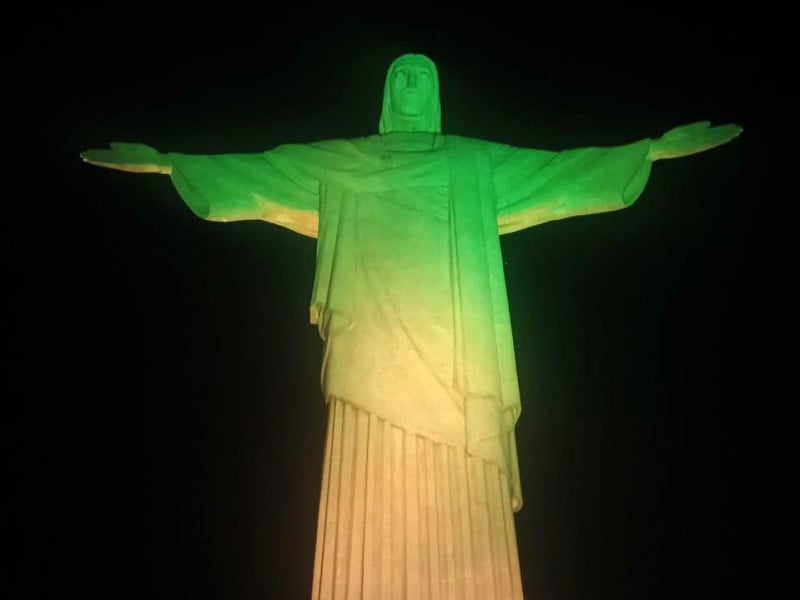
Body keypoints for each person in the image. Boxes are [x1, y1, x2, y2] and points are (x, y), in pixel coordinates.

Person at [82, 52, 741, 600]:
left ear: (437, 94)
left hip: (458, 367)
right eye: (399, 73)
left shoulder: (470, 163)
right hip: (371, 356)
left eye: (421, 75)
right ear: (382, 91)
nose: (409, 83)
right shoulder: (342, 162)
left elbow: (560, 172)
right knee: (366, 491)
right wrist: (172, 164)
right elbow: (259, 173)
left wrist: (648, 152)